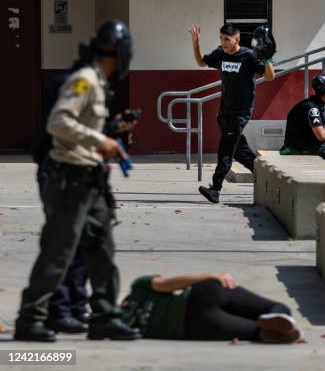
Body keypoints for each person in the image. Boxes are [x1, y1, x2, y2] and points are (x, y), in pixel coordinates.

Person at [14, 21, 141, 342]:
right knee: (58, 253)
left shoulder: (98, 82)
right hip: (69, 181)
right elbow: (59, 121)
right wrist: (100, 140)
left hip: (91, 180)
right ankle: (31, 319)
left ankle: (104, 316)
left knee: (102, 249)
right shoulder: (85, 81)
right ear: (118, 52)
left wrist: (106, 138)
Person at [189, 23, 275, 204]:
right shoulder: (220, 53)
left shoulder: (249, 56)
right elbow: (201, 62)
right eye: (221, 38)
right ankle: (264, 174)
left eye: (226, 39)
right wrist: (196, 42)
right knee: (238, 150)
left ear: (236, 39)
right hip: (224, 111)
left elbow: (269, 76)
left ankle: (215, 189)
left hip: (240, 112)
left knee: (226, 149)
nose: (223, 42)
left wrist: (267, 58)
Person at [121, 272, 302, 343]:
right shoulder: (138, 287)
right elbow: (169, 284)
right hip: (199, 295)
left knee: (256, 332)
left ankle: (283, 332)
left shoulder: (122, 327)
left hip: (194, 327)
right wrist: (212, 276)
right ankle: (281, 318)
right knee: (275, 307)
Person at [280, 74, 325, 168]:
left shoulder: (312, 105)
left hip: (300, 148)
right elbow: (321, 136)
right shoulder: (312, 109)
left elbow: (319, 140)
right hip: (296, 150)